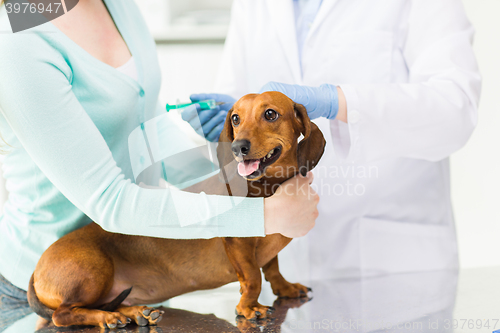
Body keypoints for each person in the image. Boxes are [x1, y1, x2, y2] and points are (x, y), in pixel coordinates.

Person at [0, 0, 320, 329]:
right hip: (50, 289)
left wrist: (218, 157)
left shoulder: (115, 5)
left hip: (139, 269)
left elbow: (146, 130)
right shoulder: (16, 36)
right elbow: (110, 200)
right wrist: (264, 216)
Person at [183, 0, 481, 281]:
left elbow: (456, 108)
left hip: (391, 260)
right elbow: (240, 98)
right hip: (283, 255)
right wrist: (232, 122)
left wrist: (336, 102)